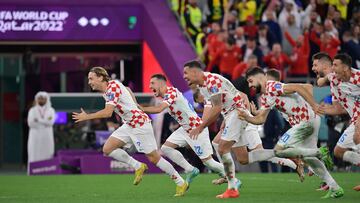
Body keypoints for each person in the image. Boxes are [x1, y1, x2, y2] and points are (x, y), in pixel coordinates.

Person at [72, 67, 188, 197]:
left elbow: (107, 112)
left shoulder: (111, 88)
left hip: (140, 125)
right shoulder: (110, 88)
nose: (89, 82)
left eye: (91, 78)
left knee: (154, 158)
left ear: (100, 77)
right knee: (107, 148)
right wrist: (135, 104)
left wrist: (86, 116)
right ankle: (138, 166)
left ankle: (180, 182)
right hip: (129, 124)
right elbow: (127, 89)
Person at [238, 67, 344, 198]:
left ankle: (319, 152)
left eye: (250, 81)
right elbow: (261, 119)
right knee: (309, 160)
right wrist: (249, 116)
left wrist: (314, 105)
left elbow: (299, 88)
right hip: (307, 122)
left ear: (260, 77)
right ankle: (335, 187)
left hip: (306, 121)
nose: (250, 86)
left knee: (279, 150)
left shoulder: (272, 86)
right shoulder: (265, 96)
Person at [183, 60, 276, 198]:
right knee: (243, 158)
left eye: (186, 73)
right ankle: (284, 154)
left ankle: (232, 186)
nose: (184, 76)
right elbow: (223, 104)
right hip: (232, 114)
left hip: (238, 113)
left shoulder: (211, 81)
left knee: (222, 148)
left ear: (195, 72)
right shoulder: (203, 85)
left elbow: (217, 108)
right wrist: (225, 121)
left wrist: (200, 127)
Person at [140, 74, 226, 185]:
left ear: (161, 83)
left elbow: (158, 109)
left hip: (196, 129)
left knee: (209, 162)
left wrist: (141, 109)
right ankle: (191, 170)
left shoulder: (171, 92)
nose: (150, 86)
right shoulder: (168, 96)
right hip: (185, 129)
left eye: (152, 83)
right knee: (166, 148)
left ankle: (231, 177)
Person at [311, 53, 360, 191]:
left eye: (335, 65)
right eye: (332, 65)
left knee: (357, 135)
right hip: (356, 118)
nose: (333, 68)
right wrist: (321, 109)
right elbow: (339, 108)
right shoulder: (335, 80)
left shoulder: (357, 77)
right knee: (338, 151)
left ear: (345, 68)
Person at [27, 91, 55, 173]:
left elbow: (51, 122)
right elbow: (31, 123)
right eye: (39, 98)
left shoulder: (51, 110)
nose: (41, 100)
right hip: (35, 136)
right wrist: (44, 122)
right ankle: (33, 171)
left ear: (46, 99)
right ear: (36, 99)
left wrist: (38, 120)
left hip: (47, 136)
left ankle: (47, 171)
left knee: (48, 153)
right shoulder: (32, 110)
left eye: (43, 98)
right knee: (33, 152)